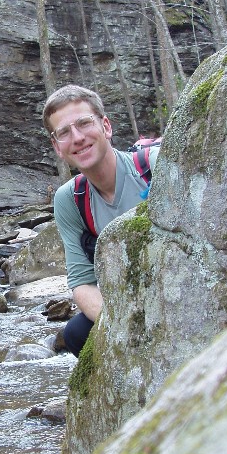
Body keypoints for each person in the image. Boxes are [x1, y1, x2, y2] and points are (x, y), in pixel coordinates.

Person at [42, 85, 160, 357]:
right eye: (64, 132)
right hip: (131, 301)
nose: (78, 137)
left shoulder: (155, 166)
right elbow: (82, 283)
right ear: (57, 147)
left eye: (84, 123)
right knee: (76, 333)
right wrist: (126, 325)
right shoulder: (70, 199)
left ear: (106, 126)